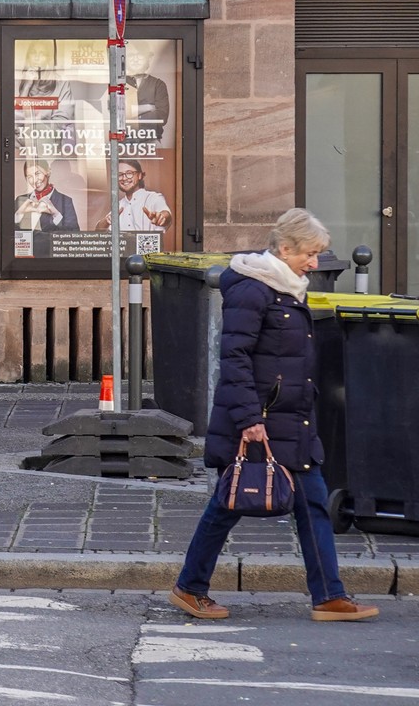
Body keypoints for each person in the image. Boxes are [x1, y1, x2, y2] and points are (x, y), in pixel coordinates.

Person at [169, 208, 379, 622]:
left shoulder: (289, 288)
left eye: (318, 255)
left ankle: (328, 596)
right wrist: (249, 419)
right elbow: (235, 357)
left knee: (312, 504)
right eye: (309, 254)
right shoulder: (254, 289)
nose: (314, 263)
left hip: (292, 420)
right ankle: (190, 588)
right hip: (260, 421)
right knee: (228, 504)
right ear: (284, 248)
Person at [94, 159, 172, 232]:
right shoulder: (119, 205)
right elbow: (98, 230)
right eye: (120, 174)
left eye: (129, 173)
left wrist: (161, 217)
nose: (124, 178)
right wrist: (106, 221)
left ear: (139, 175)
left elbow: (166, 215)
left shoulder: (154, 198)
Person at [13, 159, 79, 232]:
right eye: (29, 177)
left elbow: (75, 234)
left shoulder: (65, 201)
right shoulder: (20, 200)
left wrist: (55, 214)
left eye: (37, 173)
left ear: (48, 171)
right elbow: (6, 233)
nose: (34, 180)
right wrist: (18, 215)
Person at [126, 44, 170, 142]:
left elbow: (162, 117)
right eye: (131, 55)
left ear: (148, 58)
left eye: (139, 55)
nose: (135, 59)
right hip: (124, 141)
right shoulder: (118, 83)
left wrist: (131, 114)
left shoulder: (158, 84)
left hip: (150, 140)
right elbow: (116, 114)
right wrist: (148, 107)